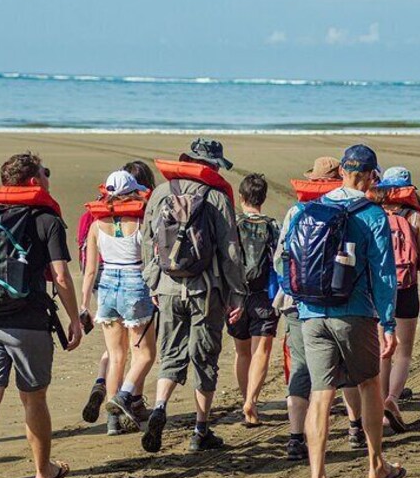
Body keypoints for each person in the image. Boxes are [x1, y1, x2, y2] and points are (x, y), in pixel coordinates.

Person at [0, 153, 82, 478]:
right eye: (45, 172)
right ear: (33, 181)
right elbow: (59, 276)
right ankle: (44, 471)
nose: (48, 176)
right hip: (27, 323)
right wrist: (74, 318)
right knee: (34, 398)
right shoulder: (46, 219)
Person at [286, 144, 405, 478]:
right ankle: (376, 466)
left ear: (341, 173)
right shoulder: (372, 215)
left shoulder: (308, 209)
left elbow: (288, 257)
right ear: (370, 176)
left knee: (321, 395)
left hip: (310, 314)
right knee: (369, 383)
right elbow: (385, 274)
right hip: (353, 313)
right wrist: (388, 323)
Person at [140, 138, 246, 453]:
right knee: (205, 359)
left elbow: (147, 241)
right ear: (211, 166)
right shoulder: (216, 197)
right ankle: (201, 430)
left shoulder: (160, 193)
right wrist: (237, 293)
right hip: (206, 289)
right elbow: (230, 251)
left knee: (171, 354)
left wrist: (152, 282)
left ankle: (160, 407)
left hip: (168, 286)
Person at [274, 157, 367, 461]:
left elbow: (280, 260)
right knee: (348, 369)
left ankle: (295, 438)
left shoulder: (296, 212)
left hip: (298, 304)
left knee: (301, 369)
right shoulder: (351, 210)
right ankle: (355, 428)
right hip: (342, 302)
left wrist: (294, 294)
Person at [81, 171, 157, 436]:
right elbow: (151, 261)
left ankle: (112, 423)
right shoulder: (140, 221)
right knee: (145, 354)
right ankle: (124, 396)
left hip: (107, 287)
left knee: (116, 356)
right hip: (135, 284)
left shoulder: (95, 224)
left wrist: (84, 305)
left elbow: (90, 270)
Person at [368, 166, 420, 433]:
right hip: (406, 287)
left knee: (384, 349)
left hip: (379, 287)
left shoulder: (374, 213)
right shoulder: (415, 216)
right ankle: (391, 400)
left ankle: (381, 407)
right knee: (404, 351)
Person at [228, 173, 280, 427]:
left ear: (241, 197)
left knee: (242, 351)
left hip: (236, 295)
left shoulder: (232, 224)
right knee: (262, 350)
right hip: (263, 296)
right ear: (263, 198)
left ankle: (245, 399)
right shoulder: (272, 226)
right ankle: (251, 399)